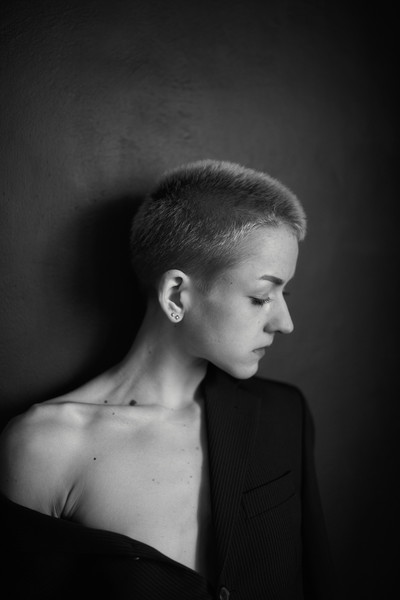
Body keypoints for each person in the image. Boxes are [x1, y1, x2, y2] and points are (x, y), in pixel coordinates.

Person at [0, 160, 335, 599]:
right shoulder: (45, 447)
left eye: (283, 294)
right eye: (261, 297)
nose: (285, 323)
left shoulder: (284, 414)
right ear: (176, 293)